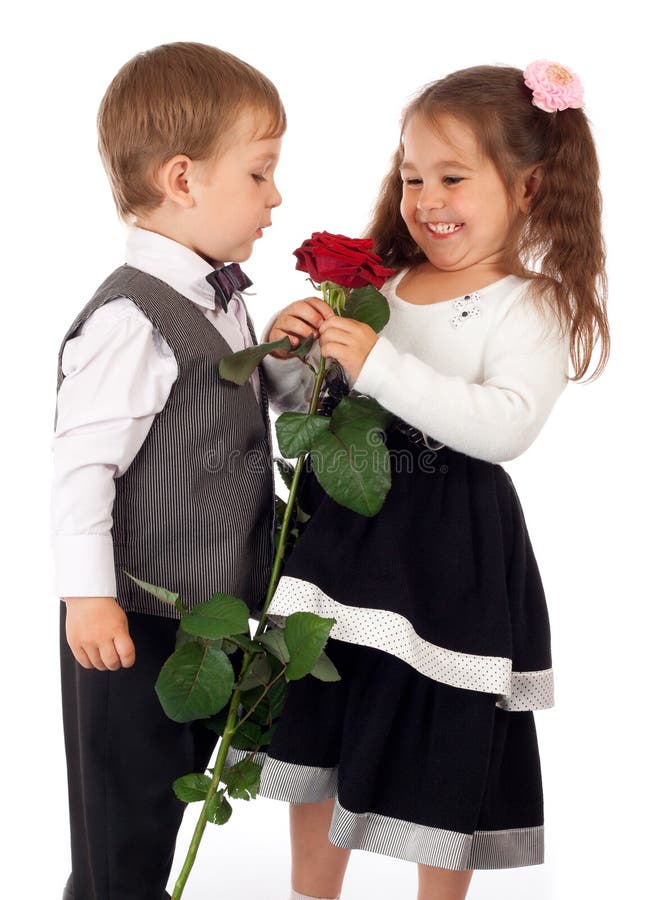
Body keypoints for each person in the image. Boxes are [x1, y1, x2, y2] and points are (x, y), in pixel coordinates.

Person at [251, 62, 610, 900]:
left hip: (447, 547)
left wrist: (379, 364)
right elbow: (312, 409)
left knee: (443, 723)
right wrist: (286, 356)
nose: (425, 198)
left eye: (452, 177)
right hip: (343, 533)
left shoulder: (531, 303)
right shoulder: (380, 281)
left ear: (529, 186)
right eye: (412, 177)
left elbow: (505, 425)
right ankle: (310, 892)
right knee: (320, 705)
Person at [52, 42, 332, 900]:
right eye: (259, 172)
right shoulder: (130, 318)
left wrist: (283, 355)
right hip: (132, 622)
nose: (275, 196)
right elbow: (82, 467)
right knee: (124, 826)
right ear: (182, 178)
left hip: (210, 617)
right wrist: (87, 596)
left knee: (162, 810)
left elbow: (229, 404)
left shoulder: (222, 295)